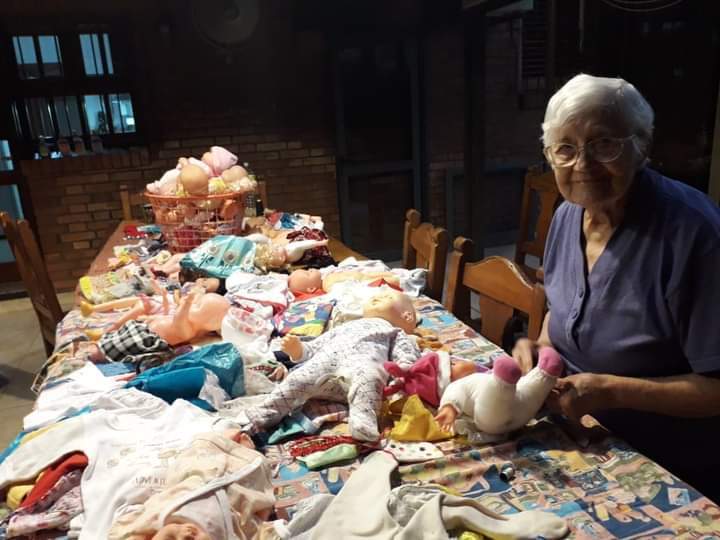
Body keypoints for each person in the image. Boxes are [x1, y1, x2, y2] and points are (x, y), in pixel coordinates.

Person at [512, 74, 720, 500]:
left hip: (665, 464)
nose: (582, 165)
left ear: (641, 145)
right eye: (565, 149)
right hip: (578, 437)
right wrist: (540, 346)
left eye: (604, 144)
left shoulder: (695, 234)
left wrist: (609, 391)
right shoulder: (567, 215)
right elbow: (561, 308)